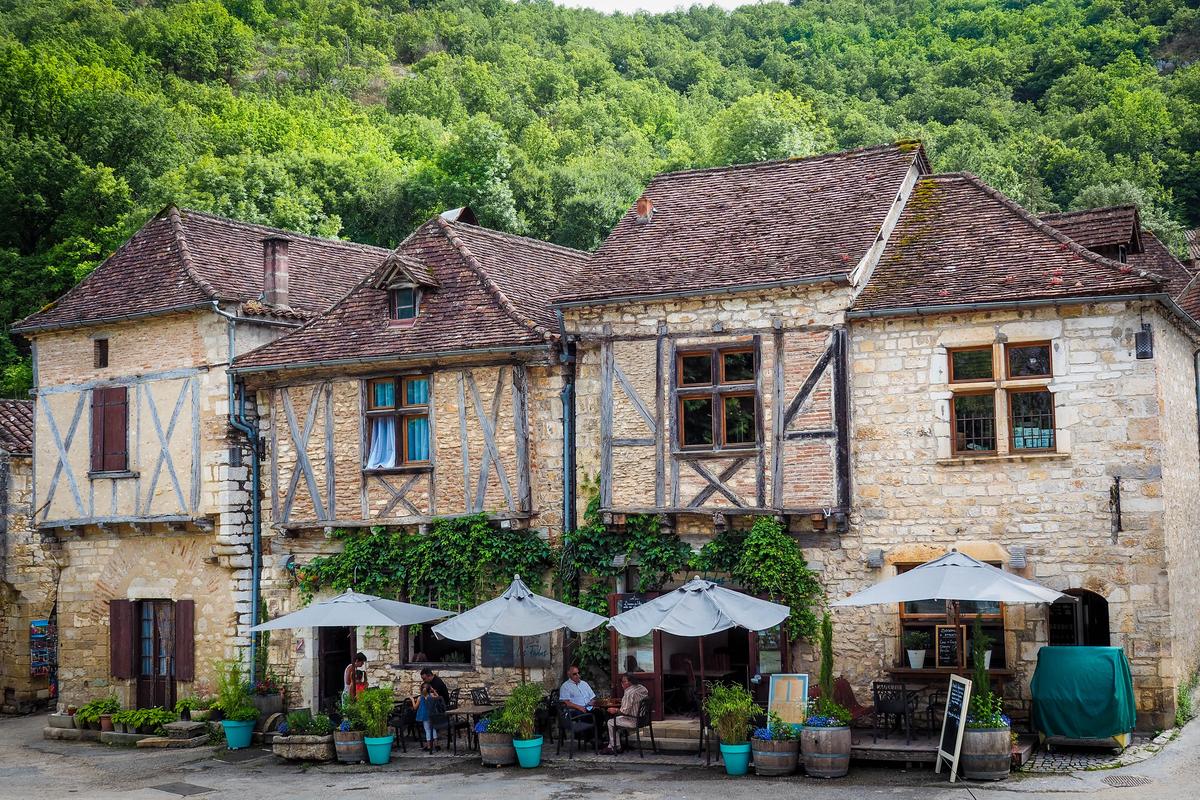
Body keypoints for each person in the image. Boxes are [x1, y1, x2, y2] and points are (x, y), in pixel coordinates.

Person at [601, 673, 649, 755]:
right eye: (622, 682)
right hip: (643, 719)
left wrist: (615, 710)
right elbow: (634, 702)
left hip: (633, 720)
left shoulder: (629, 693)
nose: (622, 684)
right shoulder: (642, 688)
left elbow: (624, 711)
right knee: (616, 721)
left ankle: (614, 747)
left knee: (610, 722)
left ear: (630, 682)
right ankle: (614, 744)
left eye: (624, 682)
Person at [411, 668, 451, 751]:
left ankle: (428, 745)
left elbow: (428, 700)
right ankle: (436, 744)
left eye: (424, 679)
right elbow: (436, 697)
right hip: (433, 713)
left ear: (429, 676)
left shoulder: (436, 683)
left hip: (439, 710)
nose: (423, 681)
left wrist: (413, 700)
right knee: (433, 728)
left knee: (427, 729)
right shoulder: (431, 690)